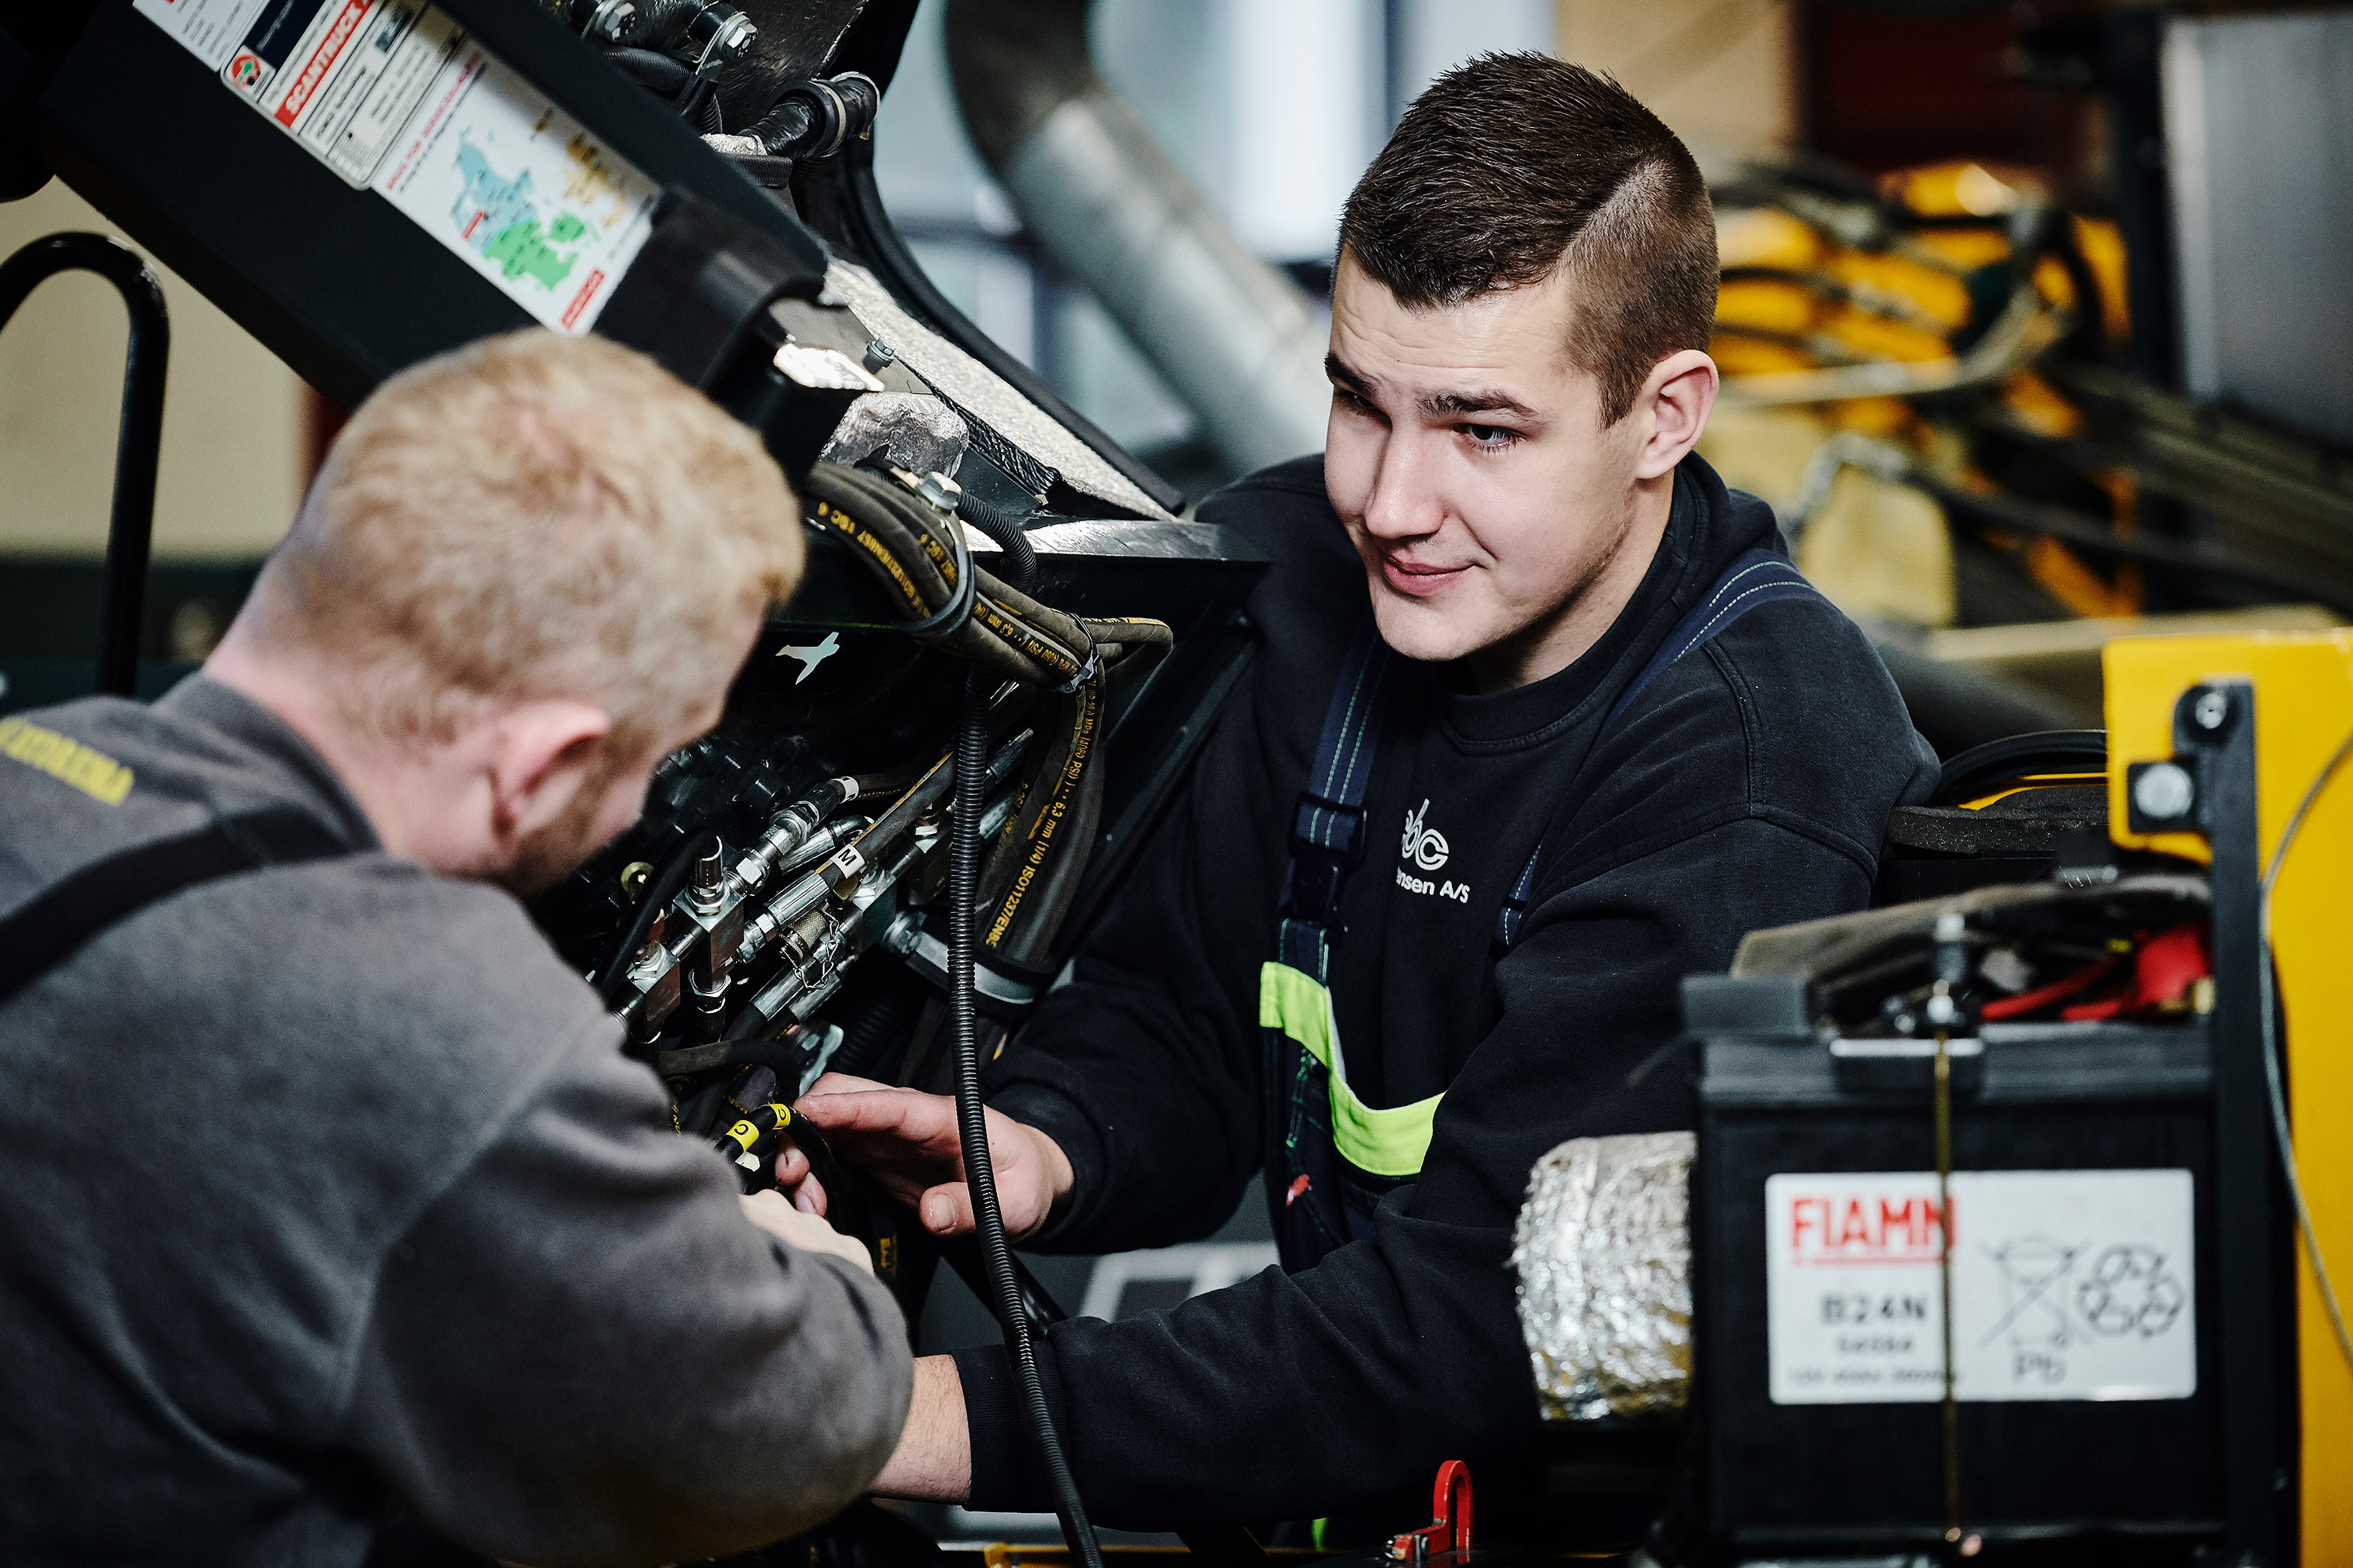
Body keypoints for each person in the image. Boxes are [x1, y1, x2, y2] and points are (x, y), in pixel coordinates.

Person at [776, 55, 1939, 1540]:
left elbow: (1468, 1321)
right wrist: (1053, 1141)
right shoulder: (1295, 590)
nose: (1390, 502)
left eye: (1482, 430)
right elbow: (1192, 1013)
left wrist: (882, 1413)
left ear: (1662, 418)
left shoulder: (1749, 775)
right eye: (1358, 402)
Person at [0, 329, 909, 1565]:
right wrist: (825, 1278)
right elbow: (785, 1427)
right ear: (540, 762)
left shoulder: (28, 775)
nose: (644, 809)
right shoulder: (431, 1018)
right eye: (648, 759)